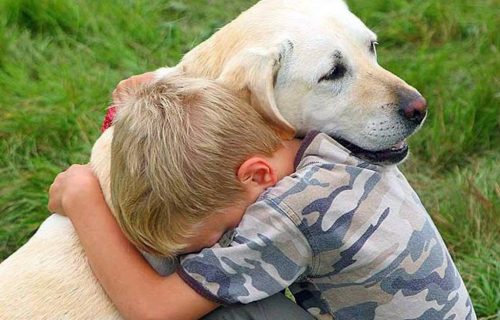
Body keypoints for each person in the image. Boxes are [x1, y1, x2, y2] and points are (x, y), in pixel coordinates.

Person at [49, 76, 476, 320]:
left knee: (224, 314)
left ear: (256, 175)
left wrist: (83, 198)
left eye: (220, 234)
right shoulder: (326, 142)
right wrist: (158, 96)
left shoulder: (286, 213)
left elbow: (153, 310)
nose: (221, 244)